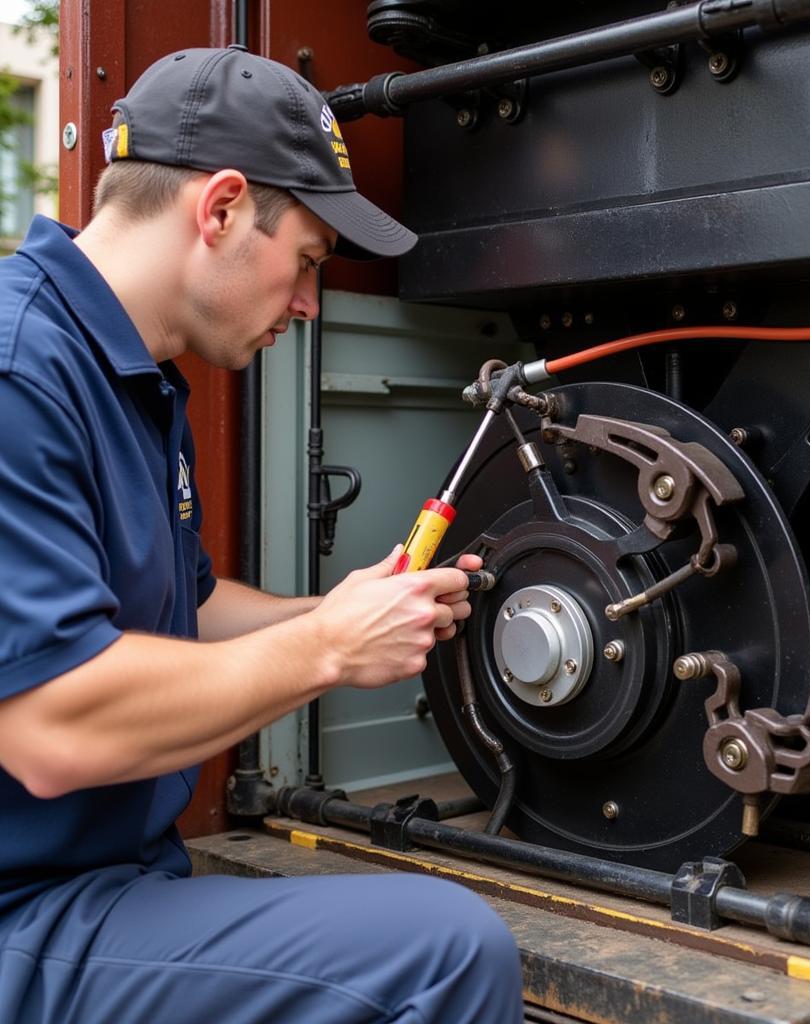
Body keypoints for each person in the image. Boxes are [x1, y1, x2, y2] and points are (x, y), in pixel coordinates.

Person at [0, 45, 523, 1023]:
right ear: (222, 208)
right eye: (310, 263)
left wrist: (346, 609)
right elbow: (47, 729)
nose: (309, 304)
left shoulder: (135, 375)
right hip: (23, 916)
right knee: (448, 954)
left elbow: (188, 604)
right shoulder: (20, 374)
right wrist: (327, 649)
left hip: (114, 883)